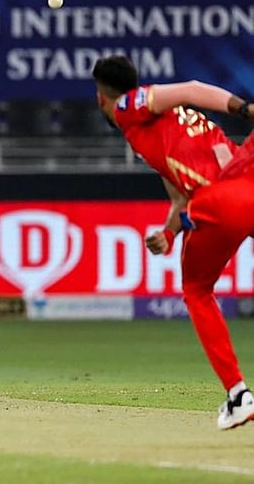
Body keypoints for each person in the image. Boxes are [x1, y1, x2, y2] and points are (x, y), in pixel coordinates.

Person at [92, 55, 254, 430]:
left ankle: (238, 394)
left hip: (222, 198)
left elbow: (193, 89)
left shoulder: (130, 106)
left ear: (102, 97)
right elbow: (181, 199)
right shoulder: (153, 134)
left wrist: (245, 109)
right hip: (245, 181)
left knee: (197, 291)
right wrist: (168, 232)